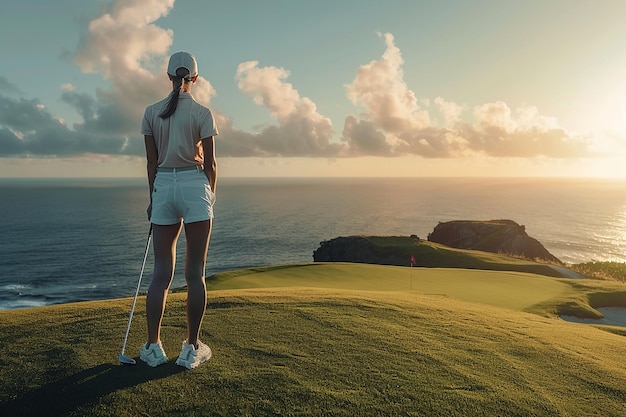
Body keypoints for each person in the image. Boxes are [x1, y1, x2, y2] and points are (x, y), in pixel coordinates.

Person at [139, 51, 218, 369]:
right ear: (195, 79)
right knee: (195, 274)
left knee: (161, 274)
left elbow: (151, 163)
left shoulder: (150, 112)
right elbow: (210, 163)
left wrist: (153, 199)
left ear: (168, 76)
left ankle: (153, 347)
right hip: (194, 186)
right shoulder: (203, 112)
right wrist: (209, 194)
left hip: (164, 188)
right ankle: (191, 348)